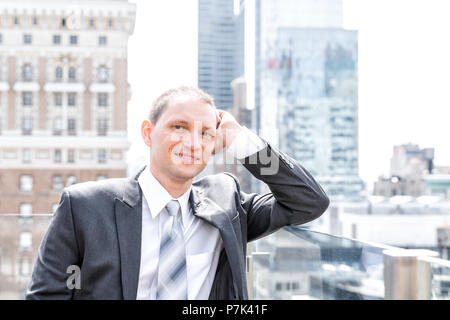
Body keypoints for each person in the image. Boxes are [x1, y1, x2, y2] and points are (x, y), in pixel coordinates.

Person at [26, 86, 329, 300]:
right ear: (148, 132)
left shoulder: (227, 204)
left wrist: (241, 141)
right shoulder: (84, 207)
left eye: (205, 133)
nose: (193, 143)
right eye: (179, 127)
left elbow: (308, 201)